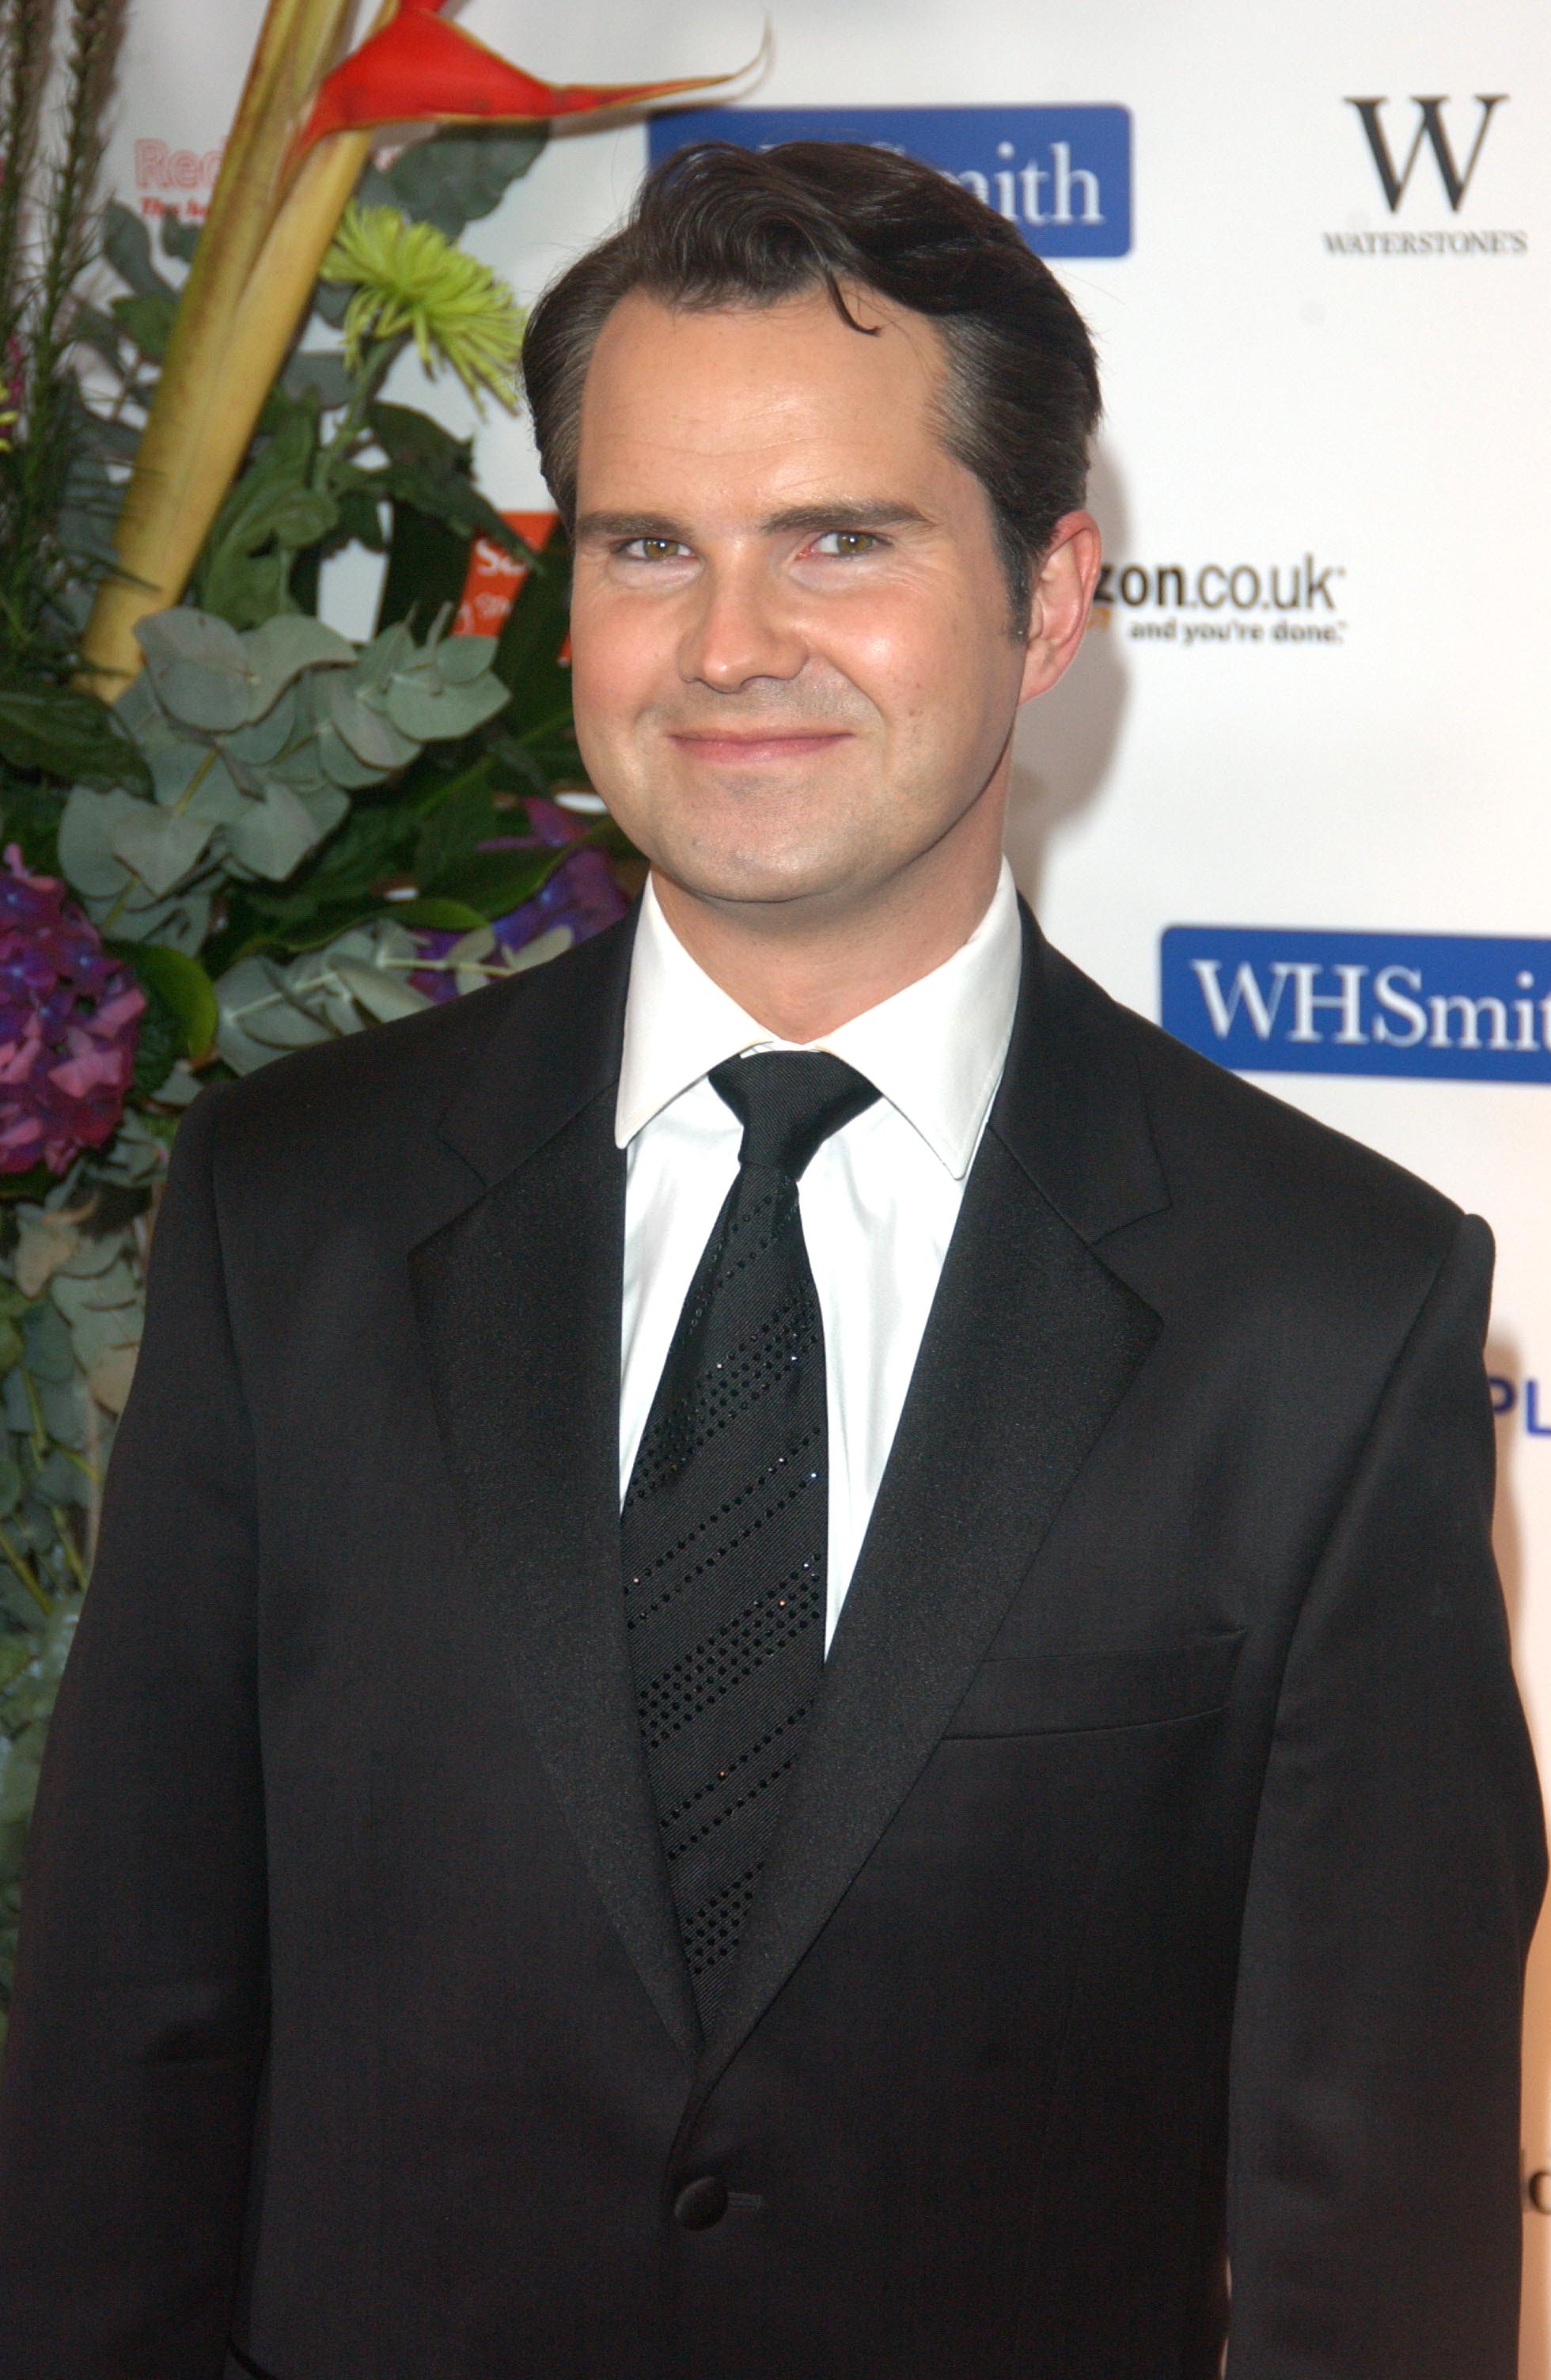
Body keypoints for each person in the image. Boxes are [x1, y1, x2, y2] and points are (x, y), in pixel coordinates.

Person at [0, 139, 1542, 2380]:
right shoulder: (290, 1214)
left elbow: (1373, 2223)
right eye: (648, 547)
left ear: (1049, 593)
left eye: (841, 538)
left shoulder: (1330, 1309)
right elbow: (131, 2053)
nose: (731, 646)